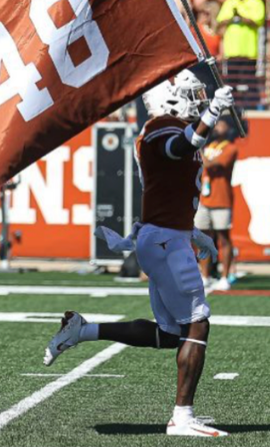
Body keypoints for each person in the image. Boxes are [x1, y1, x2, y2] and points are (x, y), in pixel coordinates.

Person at [45, 72, 234, 437]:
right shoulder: (161, 127)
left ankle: (83, 330)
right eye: (191, 93)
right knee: (197, 323)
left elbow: (169, 189)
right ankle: (182, 418)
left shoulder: (166, 128)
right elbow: (180, 147)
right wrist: (213, 112)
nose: (197, 99)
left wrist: (195, 233)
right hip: (166, 242)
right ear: (170, 99)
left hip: (167, 236)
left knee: (170, 334)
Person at [195, 117, 239, 291]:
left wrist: (198, 148)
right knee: (203, 239)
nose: (217, 127)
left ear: (229, 129)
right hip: (204, 199)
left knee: (224, 238)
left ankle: (225, 277)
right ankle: (205, 276)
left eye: (221, 124)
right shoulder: (210, 146)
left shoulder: (230, 148)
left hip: (221, 199)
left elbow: (213, 166)